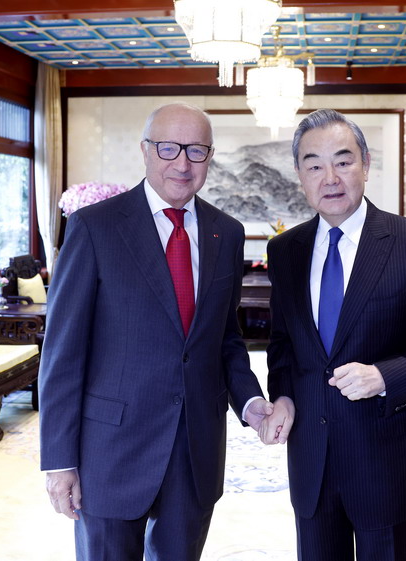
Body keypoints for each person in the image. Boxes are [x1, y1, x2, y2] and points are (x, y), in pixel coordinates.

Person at [39, 102, 272, 561]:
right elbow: (62, 354)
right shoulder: (94, 227)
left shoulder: (228, 233)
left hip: (195, 451)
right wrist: (60, 460)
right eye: (168, 148)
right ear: (145, 151)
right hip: (111, 453)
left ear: (210, 157)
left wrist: (250, 401)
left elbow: (225, 340)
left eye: (196, 151)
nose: (182, 163)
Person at [258, 109, 406, 561]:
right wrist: (285, 395)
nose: (329, 177)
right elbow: (282, 346)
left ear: (366, 165)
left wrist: (385, 376)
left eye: (343, 160)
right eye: (314, 164)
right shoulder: (285, 251)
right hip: (311, 461)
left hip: (387, 465)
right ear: (299, 174)